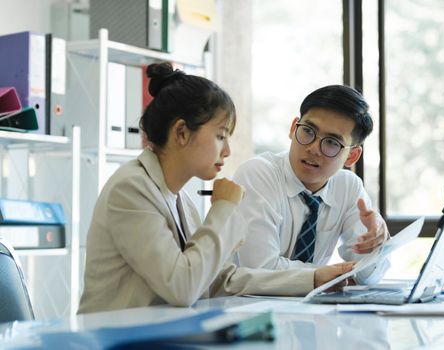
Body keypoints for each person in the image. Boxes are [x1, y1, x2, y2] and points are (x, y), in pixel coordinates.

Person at [78, 64, 355, 313]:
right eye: (221, 135)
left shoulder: (179, 198)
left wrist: (313, 278)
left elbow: (221, 279)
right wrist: (222, 209)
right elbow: (182, 287)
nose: (228, 150)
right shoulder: (131, 188)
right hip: (111, 341)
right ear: (182, 132)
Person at [230, 85, 390, 285]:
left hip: (303, 309)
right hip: (240, 306)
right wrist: (326, 274)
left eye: (332, 142)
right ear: (293, 128)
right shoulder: (258, 174)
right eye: (307, 131)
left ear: (352, 156)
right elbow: (260, 269)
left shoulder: (348, 187)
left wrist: (374, 246)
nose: (314, 148)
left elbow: (368, 276)